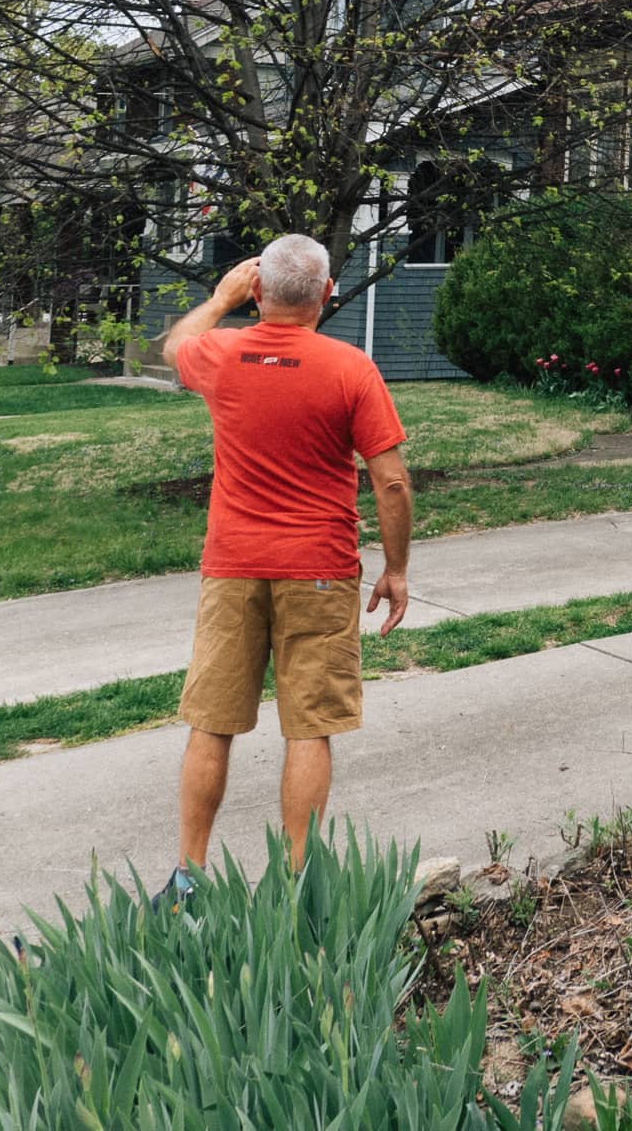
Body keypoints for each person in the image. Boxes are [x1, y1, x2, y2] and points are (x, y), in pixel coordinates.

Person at [161, 234, 412, 895]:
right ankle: (299, 883)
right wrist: (396, 569)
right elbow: (390, 483)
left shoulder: (219, 352)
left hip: (233, 566)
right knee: (309, 726)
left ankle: (188, 877)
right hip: (319, 570)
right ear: (328, 296)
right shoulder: (352, 368)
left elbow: (171, 349)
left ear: (259, 292)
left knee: (211, 722)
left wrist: (218, 300)